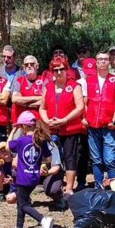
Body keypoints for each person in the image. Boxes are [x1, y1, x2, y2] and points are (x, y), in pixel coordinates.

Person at [39, 56, 85, 196]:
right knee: (53, 157)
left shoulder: (75, 86)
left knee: (70, 157)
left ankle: (69, 188)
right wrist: (47, 121)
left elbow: (80, 107)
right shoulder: (48, 87)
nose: (59, 72)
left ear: (66, 69)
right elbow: (42, 108)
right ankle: (54, 184)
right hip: (52, 129)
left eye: (62, 69)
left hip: (70, 129)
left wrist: (65, 120)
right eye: (55, 70)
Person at [8, 111, 56, 228]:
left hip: (23, 178)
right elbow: (49, 159)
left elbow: (8, 145)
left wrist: (13, 131)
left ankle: (43, 220)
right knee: (21, 201)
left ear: (24, 126)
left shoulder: (21, 140)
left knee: (23, 205)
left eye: (20, 126)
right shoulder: (40, 140)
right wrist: (39, 163)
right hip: (34, 177)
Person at [82, 52, 115, 188]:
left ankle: (113, 188)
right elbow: (84, 102)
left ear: (109, 62)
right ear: (96, 62)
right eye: (100, 59)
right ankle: (98, 188)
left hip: (108, 126)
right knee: (96, 160)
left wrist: (114, 121)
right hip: (93, 127)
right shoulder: (88, 80)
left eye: (106, 59)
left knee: (110, 160)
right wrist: (85, 118)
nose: (103, 62)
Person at [10, 55, 45, 126]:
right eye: (26, 65)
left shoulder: (44, 81)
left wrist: (23, 101)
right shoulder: (19, 81)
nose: (29, 66)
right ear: (24, 67)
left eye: (32, 64)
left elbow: (46, 100)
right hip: (21, 123)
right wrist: (38, 98)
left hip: (38, 123)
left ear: (37, 66)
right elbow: (14, 99)